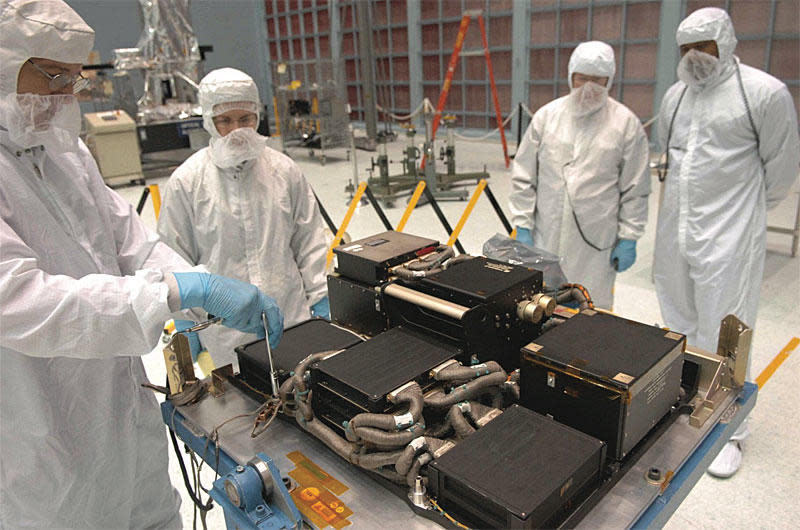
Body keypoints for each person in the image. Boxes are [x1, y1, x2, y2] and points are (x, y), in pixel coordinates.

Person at [0, 1, 283, 527]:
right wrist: (172, 294)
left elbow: (131, 240)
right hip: (46, 439)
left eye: (74, 79)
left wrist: (200, 286)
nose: (66, 96)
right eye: (53, 76)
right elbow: (20, 301)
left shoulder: (65, 155)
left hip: (122, 418)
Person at [654, 7, 799, 478]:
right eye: (686, 48)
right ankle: (688, 398)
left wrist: (747, 214)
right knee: (678, 316)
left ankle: (730, 431)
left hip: (731, 236)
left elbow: (780, 170)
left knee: (728, 329)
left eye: (705, 46)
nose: (695, 57)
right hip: (676, 230)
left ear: (726, 43)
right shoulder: (676, 96)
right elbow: (669, 152)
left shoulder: (763, 93)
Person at [158, 67, 329, 369]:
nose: (237, 130)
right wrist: (185, 323)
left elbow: (310, 241)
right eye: (225, 120)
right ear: (210, 122)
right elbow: (174, 256)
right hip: (224, 332)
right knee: (239, 411)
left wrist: (321, 299)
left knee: (302, 399)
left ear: (257, 117)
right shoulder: (187, 181)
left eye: (245, 119)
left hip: (292, 318)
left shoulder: (284, 171)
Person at [509, 41, 650, 309]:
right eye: (582, 78)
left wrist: (629, 236)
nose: (588, 86)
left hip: (596, 245)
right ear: (571, 76)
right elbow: (524, 175)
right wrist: (522, 224)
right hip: (545, 236)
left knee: (589, 311)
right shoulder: (547, 117)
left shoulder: (625, 124)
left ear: (609, 80)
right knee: (540, 308)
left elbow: (636, 187)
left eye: (597, 80)